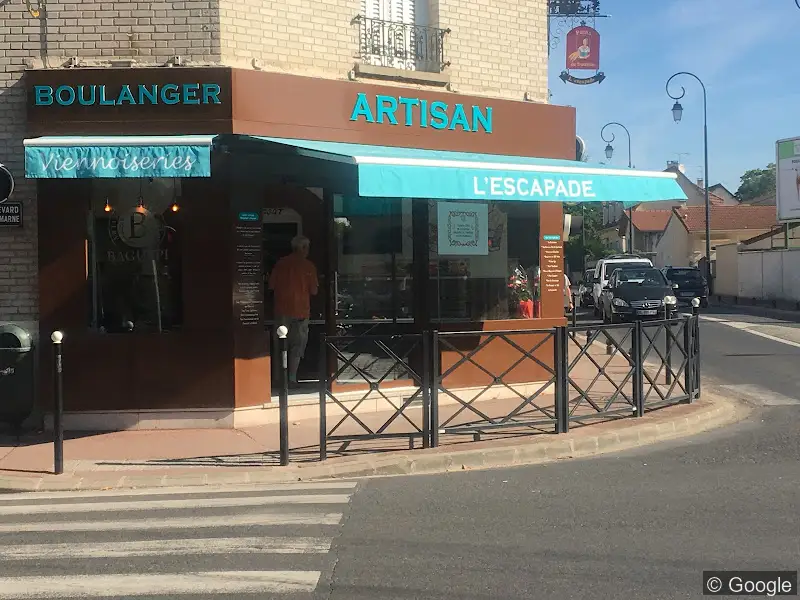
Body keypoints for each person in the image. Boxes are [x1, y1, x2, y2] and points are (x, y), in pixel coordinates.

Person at [268, 235, 318, 384]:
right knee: (297, 347)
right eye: (307, 248)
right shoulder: (309, 266)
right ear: (303, 248)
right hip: (301, 312)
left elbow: (271, 285)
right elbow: (314, 291)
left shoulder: (280, 264)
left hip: (281, 310)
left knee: (280, 345)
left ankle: (278, 378)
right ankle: (292, 378)